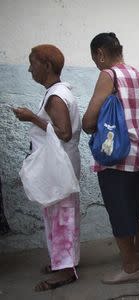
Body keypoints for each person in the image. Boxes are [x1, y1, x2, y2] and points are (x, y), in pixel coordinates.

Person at [82, 33, 139, 284]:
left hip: (117, 156)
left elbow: (90, 121)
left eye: (95, 58)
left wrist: (89, 124)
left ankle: (130, 268)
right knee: (136, 205)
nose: (96, 63)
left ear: (101, 53)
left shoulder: (108, 75)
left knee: (119, 210)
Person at [12, 44, 81, 291]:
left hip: (59, 165)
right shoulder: (58, 92)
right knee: (59, 215)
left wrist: (31, 118)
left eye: (33, 63)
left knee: (61, 217)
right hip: (61, 164)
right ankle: (63, 262)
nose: (30, 69)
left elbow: (64, 133)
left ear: (47, 66)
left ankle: (65, 271)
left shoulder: (56, 97)